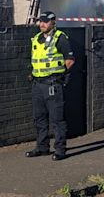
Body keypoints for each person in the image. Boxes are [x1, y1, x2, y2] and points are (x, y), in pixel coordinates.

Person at [25, 11, 75, 161]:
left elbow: (70, 60)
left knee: (57, 119)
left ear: (53, 22)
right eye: (40, 21)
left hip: (52, 84)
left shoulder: (60, 38)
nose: (42, 24)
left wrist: (60, 76)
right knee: (39, 117)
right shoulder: (36, 39)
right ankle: (42, 147)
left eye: (45, 21)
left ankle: (60, 149)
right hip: (38, 85)